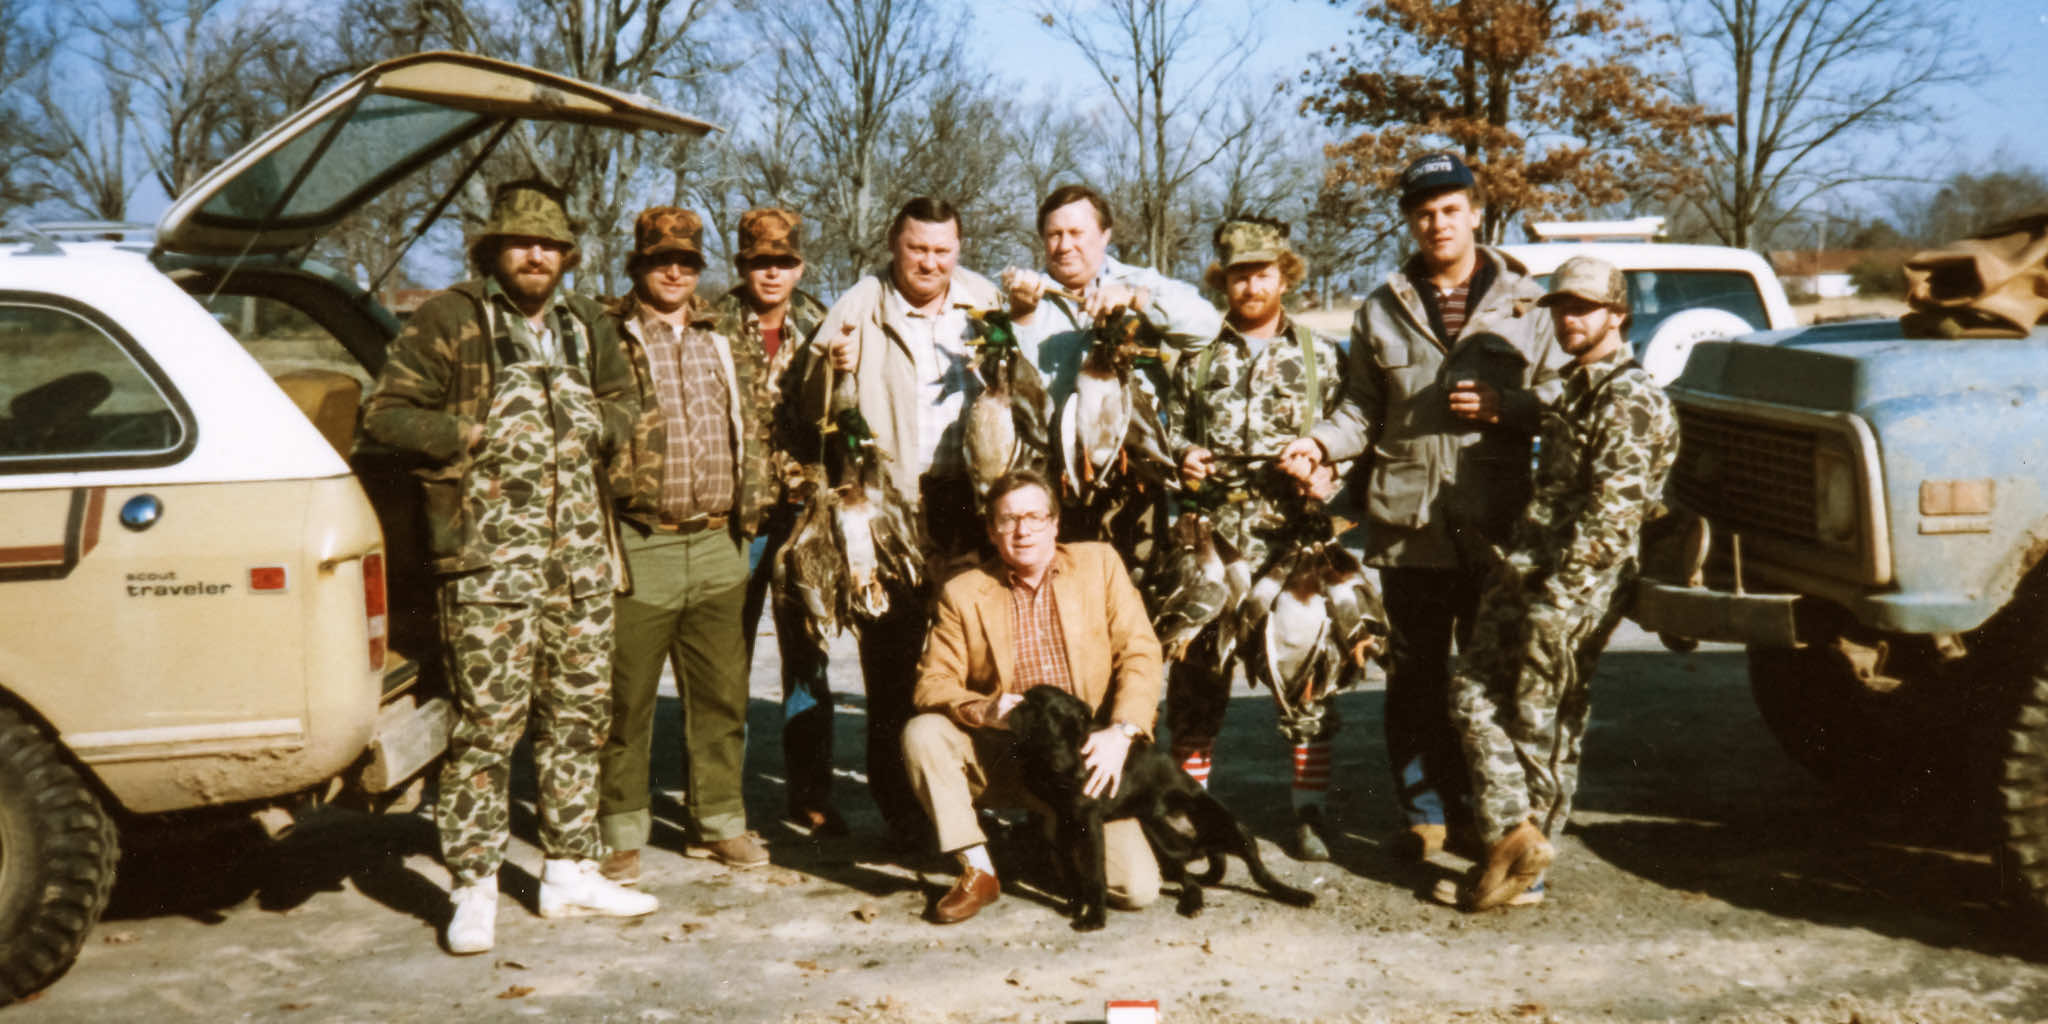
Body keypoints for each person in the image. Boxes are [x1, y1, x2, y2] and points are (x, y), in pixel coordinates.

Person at [361, 179, 656, 955]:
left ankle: (567, 870)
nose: (537, 255)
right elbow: (384, 414)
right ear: (494, 250)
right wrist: (466, 435)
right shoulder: (452, 318)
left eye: (551, 244)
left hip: (583, 560)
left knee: (579, 721)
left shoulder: (583, 320)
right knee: (488, 729)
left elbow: (629, 397)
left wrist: (603, 425)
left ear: (567, 255)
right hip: (488, 562)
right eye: (523, 242)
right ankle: (474, 886)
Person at [1279, 152, 1569, 861]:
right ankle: (1425, 812)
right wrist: (1318, 446)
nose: (1437, 223)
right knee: (1414, 678)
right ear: (1409, 222)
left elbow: (1567, 400)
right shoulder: (1381, 307)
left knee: (1490, 676)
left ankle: (1484, 812)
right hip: (1409, 527)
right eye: (1422, 212)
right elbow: (1358, 409)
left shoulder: (1528, 302)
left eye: (1449, 209)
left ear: (1475, 212)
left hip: (1498, 524)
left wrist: (1511, 406)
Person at [1444, 256, 1679, 910]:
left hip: (1571, 589)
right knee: (1498, 701)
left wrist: (1559, 599)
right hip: (1530, 570)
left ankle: (1523, 857)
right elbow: (1538, 416)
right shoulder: (1576, 386)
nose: (1570, 319)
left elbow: (1615, 515)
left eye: (1584, 307)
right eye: (1562, 308)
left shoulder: (1630, 398)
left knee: (1533, 717)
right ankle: (1519, 842)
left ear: (1617, 315)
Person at [795, 197, 1001, 847]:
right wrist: (830, 371)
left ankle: (967, 801)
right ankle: (902, 813)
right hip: (889, 508)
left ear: (960, 249)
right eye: (917, 249)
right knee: (890, 667)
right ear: (894, 244)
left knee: (969, 663)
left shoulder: (984, 303)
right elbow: (810, 404)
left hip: (967, 508)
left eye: (942, 250)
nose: (930, 263)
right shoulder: (861, 303)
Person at [1160, 217, 1349, 861]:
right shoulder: (1197, 356)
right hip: (1213, 544)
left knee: (1307, 680)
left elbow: (1351, 438)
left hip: (1289, 546)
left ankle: (1309, 811)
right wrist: (1185, 455)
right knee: (1195, 682)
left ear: (1284, 274)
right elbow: (1170, 430)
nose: (1251, 283)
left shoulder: (1323, 356)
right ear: (1224, 280)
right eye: (1239, 273)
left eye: (1262, 271)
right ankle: (1190, 810)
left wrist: (1325, 472)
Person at [595, 207, 773, 880]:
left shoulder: (724, 332)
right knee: (625, 698)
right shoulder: (605, 335)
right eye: (661, 258)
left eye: (688, 260)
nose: (675, 270)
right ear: (638, 264)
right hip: (642, 541)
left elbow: (758, 418)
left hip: (721, 540)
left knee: (722, 697)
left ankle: (720, 822)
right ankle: (620, 830)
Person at [901, 469, 1164, 923]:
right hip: (1004, 754)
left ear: (1054, 524)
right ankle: (979, 869)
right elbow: (931, 683)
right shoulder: (963, 593)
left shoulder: (1100, 565)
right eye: (1008, 520)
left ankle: (1048, 833)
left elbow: (1141, 652)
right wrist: (983, 710)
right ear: (991, 530)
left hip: (1083, 760)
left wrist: (1121, 733)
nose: (1022, 530)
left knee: (1136, 890)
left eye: (1034, 517)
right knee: (923, 733)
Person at [711, 207, 841, 836]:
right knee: (722, 659)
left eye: (783, 261)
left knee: (807, 659)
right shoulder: (707, 325)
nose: (772, 272)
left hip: (803, 521)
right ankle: (718, 802)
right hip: (734, 520)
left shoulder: (825, 327)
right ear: (742, 267)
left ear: (799, 266)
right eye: (760, 261)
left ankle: (811, 794)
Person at [1002, 184, 1221, 405]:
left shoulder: (1139, 282)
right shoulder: (1022, 297)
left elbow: (1208, 329)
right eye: (1054, 235)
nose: (1064, 245)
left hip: (1133, 436)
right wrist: (1022, 316)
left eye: (1076, 233)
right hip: (1051, 437)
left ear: (1105, 235)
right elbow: (1013, 389)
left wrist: (1136, 298)